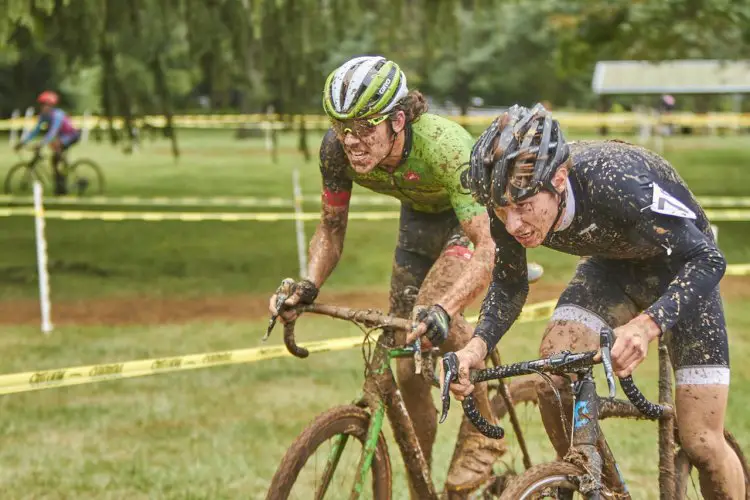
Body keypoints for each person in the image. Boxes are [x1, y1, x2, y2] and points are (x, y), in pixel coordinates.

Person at [268, 55, 542, 496]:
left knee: (432, 310)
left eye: (364, 127)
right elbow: (331, 227)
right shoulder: (336, 149)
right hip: (418, 222)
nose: (351, 140)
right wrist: (308, 285)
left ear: (398, 120)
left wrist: (445, 308)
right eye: (341, 126)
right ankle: (423, 484)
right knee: (407, 356)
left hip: (472, 223)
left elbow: (487, 245)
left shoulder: (445, 146)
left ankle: (484, 428)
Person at [446, 103, 745, 498]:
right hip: (611, 268)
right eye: (501, 210)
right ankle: (595, 487)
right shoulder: (507, 199)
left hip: (682, 269)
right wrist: (476, 346)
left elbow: (708, 259)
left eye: (523, 206)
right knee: (552, 379)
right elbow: (509, 285)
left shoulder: (615, 181)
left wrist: (646, 325)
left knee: (701, 442)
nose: (513, 223)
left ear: (559, 177)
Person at [14, 91, 82, 195]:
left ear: (51, 106)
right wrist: (22, 142)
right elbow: (35, 131)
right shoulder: (44, 116)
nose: (43, 107)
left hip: (72, 135)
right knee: (55, 157)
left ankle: (62, 184)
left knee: (56, 157)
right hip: (61, 137)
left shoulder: (57, 115)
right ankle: (60, 183)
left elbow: (52, 132)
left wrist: (41, 143)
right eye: (42, 105)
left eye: (45, 105)